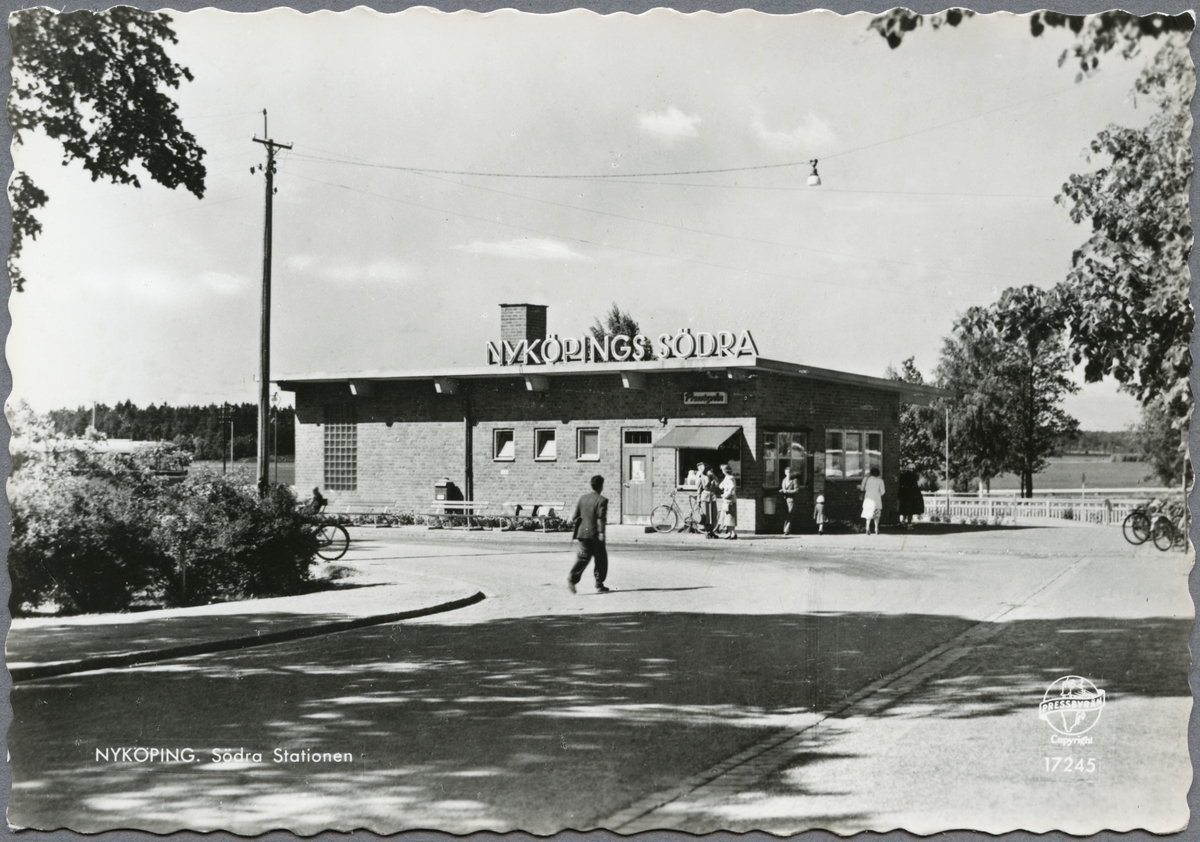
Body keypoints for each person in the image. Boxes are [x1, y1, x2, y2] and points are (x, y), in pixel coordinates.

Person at [568, 475, 610, 593]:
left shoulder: (582, 498)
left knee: (583, 558)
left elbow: (574, 516)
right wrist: (601, 532)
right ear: (601, 486)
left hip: (582, 533)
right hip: (595, 534)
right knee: (601, 558)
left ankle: (572, 578)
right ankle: (599, 583)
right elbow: (601, 518)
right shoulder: (602, 500)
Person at [861, 466, 886, 535]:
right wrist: (878, 494)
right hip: (876, 500)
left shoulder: (866, 479)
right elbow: (883, 492)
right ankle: (876, 529)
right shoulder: (880, 480)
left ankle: (867, 528)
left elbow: (862, 488)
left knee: (868, 515)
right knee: (876, 515)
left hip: (868, 499)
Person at [696, 462, 718, 538]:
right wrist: (698, 500)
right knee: (706, 516)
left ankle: (711, 531)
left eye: (712, 471)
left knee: (713, 515)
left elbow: (717, 485)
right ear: (706, 471)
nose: (711, 472)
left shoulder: (713, 478)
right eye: (710, 471)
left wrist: (714, 477)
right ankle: (707, 532)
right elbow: (698, 490)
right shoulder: (701, 478)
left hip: (712, 497)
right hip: (705, 497)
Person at [718, 463, 738, 540]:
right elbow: (721, 485)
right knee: (727, 517)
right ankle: (730, 533)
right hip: (727, 500)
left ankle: (733, 533)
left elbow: (732, 486)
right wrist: (723, 486)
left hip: (729, 499)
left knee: (730, 517)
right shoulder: (727, 477)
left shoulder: (729, 478)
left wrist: (727, 494)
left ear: (724, 471)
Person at [780, 466, 801, 535]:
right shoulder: (784, 480)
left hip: (791, 500)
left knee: (790, 514)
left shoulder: (795, 480)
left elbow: (797, 490)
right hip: (784, 499)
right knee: (786, 514)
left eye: (790, 472)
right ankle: (786, 529)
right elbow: (783, 489)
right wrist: (782, 491)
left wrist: (787, 492)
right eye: (787, 472)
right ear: (785, 473)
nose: (789, 474)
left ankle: (787, 530)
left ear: (792, 473)